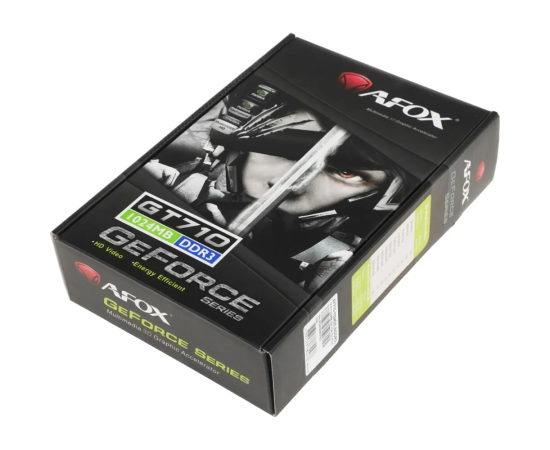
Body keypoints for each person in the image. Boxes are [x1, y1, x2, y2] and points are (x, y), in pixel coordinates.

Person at [142, 81, 410, 292]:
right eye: (281, 151)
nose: (293, 184)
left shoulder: (336, 259)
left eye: (345, 172)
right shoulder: (173, 176)